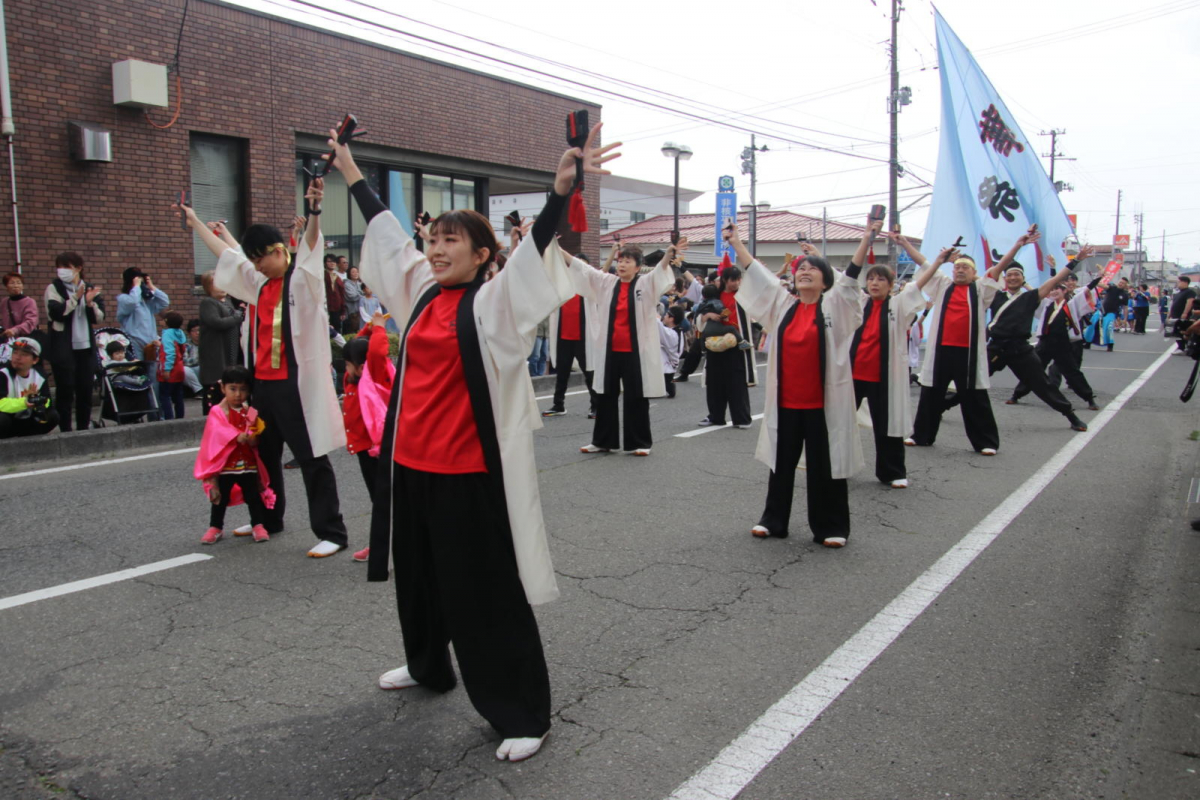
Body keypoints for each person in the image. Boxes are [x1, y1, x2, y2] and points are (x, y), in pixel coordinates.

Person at [335, 119, 618, 763]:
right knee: (421, 577)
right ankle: (428, 664)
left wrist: (556, 196)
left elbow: (530, 261)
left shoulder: (493, 305)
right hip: (410, 464)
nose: (436, 250)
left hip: (467, 471)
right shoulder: (419, 293)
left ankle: (523, 712)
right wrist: (350, 168)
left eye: (451, 243)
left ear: (482, 255)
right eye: (433, 240)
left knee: (484, 591)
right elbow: (383, 232)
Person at [178, 179, 350, 559]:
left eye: (260, 258)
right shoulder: (258, 282)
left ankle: (332, 531)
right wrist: (197, 224)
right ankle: (268, 518)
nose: (254, 266)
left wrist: (316, 211)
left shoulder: (303, 281)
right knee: (264, 456)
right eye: (253, 261)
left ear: (277, 251)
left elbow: (311, 247)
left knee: (310, 458)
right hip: (262, 387)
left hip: (296, 385)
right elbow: (228, 257)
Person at [722, 218, 862, 548]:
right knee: (781, 465)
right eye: (800, 268)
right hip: (786, 402)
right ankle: (774, 520)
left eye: (813, 268)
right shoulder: (784, 306)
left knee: (825, 467)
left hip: (823, 406)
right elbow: (759, 276)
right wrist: (736, 244)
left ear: (826, 280)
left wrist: (867, 238)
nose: (804, 271)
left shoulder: (835, 308)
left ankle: (831, 526)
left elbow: (851, 284)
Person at [573, 239, 677, 457]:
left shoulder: (645, 283)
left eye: (627, 261)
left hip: (635, 352)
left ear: (637, 267)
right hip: (610, 351)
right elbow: (583, 268)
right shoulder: (608, 283)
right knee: (605, 395)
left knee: (636, 397)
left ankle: (640, 442)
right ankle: (602, 441)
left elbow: (661, 271)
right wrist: (557, 249)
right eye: (620, 261)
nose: (621, 265)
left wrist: (667, 254)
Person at [982, 230, 1088, 432]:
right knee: (975, 379)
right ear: (1004, 278)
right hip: (996, 347)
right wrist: (1018, 245)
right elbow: (996, 270)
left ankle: (1071, 416)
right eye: (1010, 274)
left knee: (1043, 385)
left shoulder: (1032, 296)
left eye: (1017, 275)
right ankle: (943, 405)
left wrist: (1076, 261)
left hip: (1020, 349)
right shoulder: (994, 295)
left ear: (1023, 278)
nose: (1013, 277)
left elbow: (1057, 278)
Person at [902, 241, 1001, 454]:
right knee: (931, 394)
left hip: (968, 353)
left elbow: (997, 270)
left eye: (965, 267)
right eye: (957, 266)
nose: (960, 270)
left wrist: (1018, 245)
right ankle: (922, 436)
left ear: (975, 272)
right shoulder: (943, 284)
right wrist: (903, 243)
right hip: (942, 350)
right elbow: (924, 263)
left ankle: (986, 442)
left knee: (974, 398)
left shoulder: (980, 289)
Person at [852, 223, 926, 489]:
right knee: (839, 421)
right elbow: (841, 280)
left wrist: (937, 260)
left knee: (887, 425)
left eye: (881, 279)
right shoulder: (859, 303)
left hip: (884, 377)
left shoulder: (899, 305)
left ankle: (892, 471)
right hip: (852, 374)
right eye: (871, 278)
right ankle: (839, 465)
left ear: (892, 285)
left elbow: (921, 283)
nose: (874, 283)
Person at [1008, 250, 1100, 410]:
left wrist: (1099, 277)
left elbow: (1086, 290)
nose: (1055, 291)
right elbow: (1042, 287)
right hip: (1045, 343)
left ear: (1065, 292)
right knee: (1032, 369)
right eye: (1053, 290)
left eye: (1060, 289)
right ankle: (1016, 395)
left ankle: (1089, 397)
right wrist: (1026, 281)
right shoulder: (1045, 303)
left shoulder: (1071, 304)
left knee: (1072, 372)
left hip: (1064, 343)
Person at [193, 365, 273, 545]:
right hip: (225, 465)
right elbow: (217, 432)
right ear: (223, 388)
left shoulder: (251, 411)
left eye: (243, 389)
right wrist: (237, 436)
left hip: (248, 464)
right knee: (220, 498)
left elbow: (254, 438)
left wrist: (252, 437)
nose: (238, 394)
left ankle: (258, 525)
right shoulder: (218, 411)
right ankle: (215, 526)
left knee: (253, 497)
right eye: (233, 389)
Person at [339, 313, 396, 563]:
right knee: (379, 500)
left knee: (384, 501)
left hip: (379, 451)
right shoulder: (352, 381)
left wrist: (380, 330)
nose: (345, 370)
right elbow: (360, 349)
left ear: (361, 366)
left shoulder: (374, 378)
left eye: (348, 365)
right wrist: (368, 328)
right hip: (365, 450)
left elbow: (375, 354)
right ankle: (383, 544)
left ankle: (384, 547)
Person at [44, 252, 104, 432]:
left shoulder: (89, 288)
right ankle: (66, 430)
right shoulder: (53, 288)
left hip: (85, 346)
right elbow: (56, 313)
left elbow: (99, 318)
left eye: (66, 267)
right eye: (59, 267)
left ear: (78, 268)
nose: (62, 271)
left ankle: (84, 428)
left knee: (85, 390)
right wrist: (75, 298)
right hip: (63, 347)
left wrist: (90, 303)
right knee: (65, 389)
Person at [542, 252, 599, 418]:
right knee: (561, 373)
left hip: (583, 337)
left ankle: (596, 406)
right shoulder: (562, 286)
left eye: (580, 265)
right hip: (563, 336)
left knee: (589, 373)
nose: (576, 268)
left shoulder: (590, 288)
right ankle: (558, 405)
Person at [197, 269, 245, 415]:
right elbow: (217, 322)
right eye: (217, 283)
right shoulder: (208, 303)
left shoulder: (229, 302)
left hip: (233, 354)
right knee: (215, 396)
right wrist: (238, 316)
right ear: (208, 286)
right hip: (216, 357)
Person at [0, 336, 57, 437]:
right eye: (15, 353)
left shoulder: (39, 376)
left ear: (35, 360)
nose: (17, 357)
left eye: (24, 354)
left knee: (52, 416)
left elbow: (48, 402)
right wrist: (25, 402)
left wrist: (38, 401)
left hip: (26, 420)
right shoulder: (3, 374)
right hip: (9, 420)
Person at [0, 272, 39, 364]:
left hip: (24, 341)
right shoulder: (4, 302)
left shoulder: (29, 302)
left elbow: (31, 321)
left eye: (19, 283)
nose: (16, 285)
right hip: (9, 343)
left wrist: (15, 330)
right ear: (6, 286)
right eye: (12, 283)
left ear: (22, 286)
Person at [157, 311, 188, 420]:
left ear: (166, 322)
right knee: (178, 396)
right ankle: (180, 417)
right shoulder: (180, 333)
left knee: (165, 396)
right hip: (180, 368)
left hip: (171, 370)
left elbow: (169, 353)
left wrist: (166, 369)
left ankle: (168, 419)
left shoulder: (167, 334)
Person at [1095, 277, 1131, 352]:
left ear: (1125, 285)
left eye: (1123, 283)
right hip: (1101, 310)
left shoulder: (1125, 295)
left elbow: (1125, 308)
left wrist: (1125, 319)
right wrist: (1097, 279)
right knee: (1092, 324)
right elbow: (1103, 285)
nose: (1121, 284)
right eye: (1120, 282)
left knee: (1109, 327)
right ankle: (1088, 342)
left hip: (1111, 313)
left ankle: (1110, 345)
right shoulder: (1111, 288)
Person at [659, 306, 685, 399]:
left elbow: (658, 327)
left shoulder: (671, 333)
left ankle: (670, 389)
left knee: (666, 382)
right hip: (669, 361)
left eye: (666, 315)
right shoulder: (676, 331)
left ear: (671, 319)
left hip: (669, 363)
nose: (664, 316)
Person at [1169, 276, 1196, 352]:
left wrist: (1185, 313)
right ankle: (1180, 346)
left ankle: (1183, 347)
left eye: (1179, 282)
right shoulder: (1178, 294)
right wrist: (1169, 315)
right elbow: (1173, 305)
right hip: (1175, 316)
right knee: (1176, 332)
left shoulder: (1189, 292)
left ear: (1185, 282)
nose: (1177, 284)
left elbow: (1189, 302)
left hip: (1183, 316)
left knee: (1183, 331)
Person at [324, 253, 346, 330]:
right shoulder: (323, 275)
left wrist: (343, 311)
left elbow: (342, 294)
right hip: (325, 307)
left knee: (336, 329)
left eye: (333, 261)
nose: (332, 263)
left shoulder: (337, 277)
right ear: (325, 263)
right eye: (329, 261)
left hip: (337, 308)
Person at [343, 265, 364, 333]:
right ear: (349, 273)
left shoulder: (359, 283)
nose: (355, 274)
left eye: (357, 272)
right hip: (351, 313)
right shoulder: (346, 284)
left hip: (360, 313)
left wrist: (360, 294)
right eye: (353, 272)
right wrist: (362, 295)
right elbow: (352, 296)